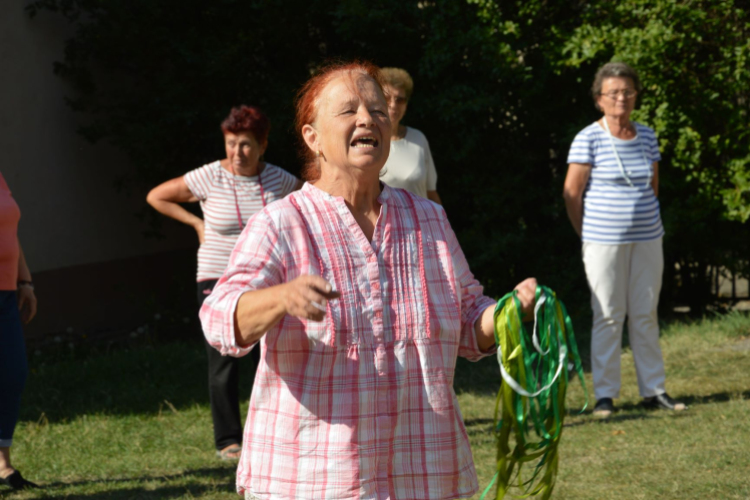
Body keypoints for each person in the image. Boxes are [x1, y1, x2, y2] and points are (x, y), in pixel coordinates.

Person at [200, 61, 537, 499]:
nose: (368, 119)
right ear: (312, 138)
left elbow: (470, 321)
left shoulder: (428, 219)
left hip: (420, 468)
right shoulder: (282, 223)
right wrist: (281, 297)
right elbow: (221, 318)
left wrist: (507, 312)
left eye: (378, 110)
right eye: (348, 110)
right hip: (316, 475)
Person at [147, 105, 301, 460]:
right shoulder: (210, 177)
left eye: (246, 144)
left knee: (274, 356)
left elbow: (307, 206)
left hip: (268, 281)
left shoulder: (279, 179)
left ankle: (278, 432)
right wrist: (197, 225)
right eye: (231, 143)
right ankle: (228, 439)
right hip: (218, 278)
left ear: (263, 145)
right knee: (223, 361)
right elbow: (157, 196)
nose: (237, 152)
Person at [563, 62, 686, 418]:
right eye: (613, 92)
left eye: (628, 91)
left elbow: (653, 186)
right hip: (603, 241)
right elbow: (572, 194)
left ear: (636, 96)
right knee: (608, 314)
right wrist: (587, 234)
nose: (622, 98)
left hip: (648, 238)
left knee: (645, 313)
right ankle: (605, 395)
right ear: (599, 99)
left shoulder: (647, 135)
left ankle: (654, 390)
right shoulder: (589, 137)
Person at [0, 171, 38, 490]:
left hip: (6, 293)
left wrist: (24, 281)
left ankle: (2, 465)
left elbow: (10, 230)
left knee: (13, 373)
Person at [379, 67, 442, 204]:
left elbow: (431, 193)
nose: (393, 105)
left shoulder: (418, 139)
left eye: (399, 99)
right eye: (386, 98)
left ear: (406, 104)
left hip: (422, 223)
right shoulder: (367, 142)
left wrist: (445, 225)